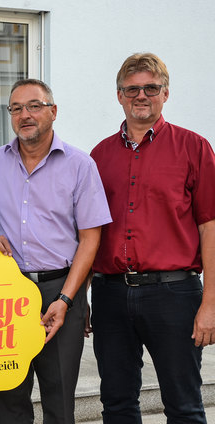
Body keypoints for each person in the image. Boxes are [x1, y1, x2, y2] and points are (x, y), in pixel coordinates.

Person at [0, 78, 111, 424]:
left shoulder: (81, 165)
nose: (25, 115)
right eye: (16, 108)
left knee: (60, 396)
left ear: (53, 111)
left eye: (34, 106)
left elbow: (90, 239)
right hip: (6, 293)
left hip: (60, 287)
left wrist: (67, 300)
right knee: (10, 395)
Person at [90, 52, 215, 423]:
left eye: (150, 88)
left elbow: (210, 227)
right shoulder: (98, 156)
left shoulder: (194, 148)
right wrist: (82, 297)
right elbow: (89, 233)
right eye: (132, 89)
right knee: (116, 404)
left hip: (174, 295)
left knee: (184, 406)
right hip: (111, 294)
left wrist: (210, 303)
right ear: (119, 96)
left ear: (165, 93)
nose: (140, 96)